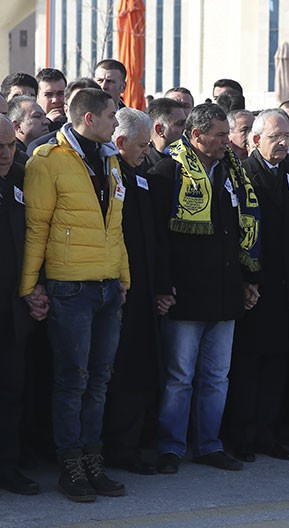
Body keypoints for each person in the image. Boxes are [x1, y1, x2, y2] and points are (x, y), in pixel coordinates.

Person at [20, 88, 129, 502]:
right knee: (72, 380)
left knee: (99, 379)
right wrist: (30, 287)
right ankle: (70, 463)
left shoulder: (111, 160)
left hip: (106, 287)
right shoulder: (48, 160)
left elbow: (115, 227)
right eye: (110, 117)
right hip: (70, 287)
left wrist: (124, 279)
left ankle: (91, 458)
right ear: (88, 119)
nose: (115, 124)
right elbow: (37, 227)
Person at [148, 103, 261, 475]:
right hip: (186, 294)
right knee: (179, 377)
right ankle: (170, 447)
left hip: (226, 292)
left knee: (216, 376)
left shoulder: (232, 171)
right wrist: (163, 286)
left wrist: (248, 279)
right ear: (196, 136)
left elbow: (241, 231)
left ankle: (210, 444)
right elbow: (158, 241)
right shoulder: (167, 172)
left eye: (228, 134)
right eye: (220, 135)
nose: (227, 141)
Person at [228, 109, 289, 462]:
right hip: (255, 284)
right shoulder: (243, 174)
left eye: (287, 136)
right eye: (277, 137)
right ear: (255, 140)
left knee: (276, 362)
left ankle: (269, 433)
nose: (285, 142)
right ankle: (243, 436)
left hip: (286, 282)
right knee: (249, 364)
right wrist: (247, 279)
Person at [102, 107, 159, 475]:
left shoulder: (141, 175)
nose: (147, 151)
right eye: (142, 145)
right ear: (120, 142)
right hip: (116, 288)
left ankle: (133, 443)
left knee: (140, 370)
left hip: (144, 290)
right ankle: (115, 448)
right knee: (117, 375)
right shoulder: (107, 176)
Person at [0, 115, 44, 496]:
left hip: (13, 310)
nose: (4, 154)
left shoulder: (20, 177)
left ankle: (9, 467)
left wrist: (35, 289)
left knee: (12, 391)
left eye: (10, 146)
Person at [27, 78, 102, 156]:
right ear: (66, 109)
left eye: (91, 105)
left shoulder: (110, 150)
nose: (85, 112)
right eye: (77, 104)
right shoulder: (41, 150)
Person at [142, 97, 187, 171]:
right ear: (160, 130)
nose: (185, 129)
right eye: (180, 124)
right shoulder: (141, 163)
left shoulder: (187, 161)